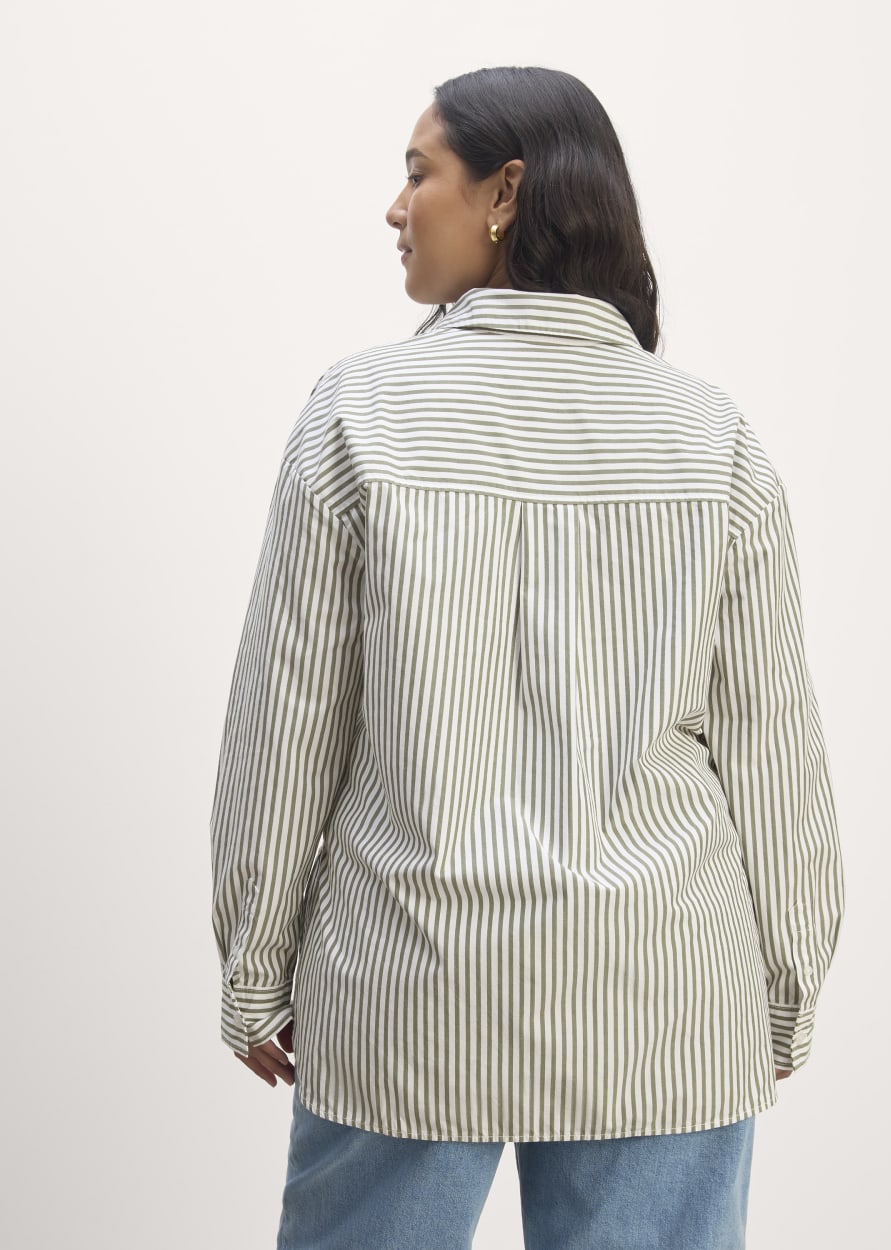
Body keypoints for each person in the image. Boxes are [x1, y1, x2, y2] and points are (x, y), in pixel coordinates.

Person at [209, 65, 845, 1250]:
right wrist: (788, 984)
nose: (395, 206)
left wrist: (254, 963)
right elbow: (773, 742)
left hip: (408, 979)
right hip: (663, 989)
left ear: (505, 193)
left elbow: (287, 720)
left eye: (418, 173)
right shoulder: (711, 438)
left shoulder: (358, 414)